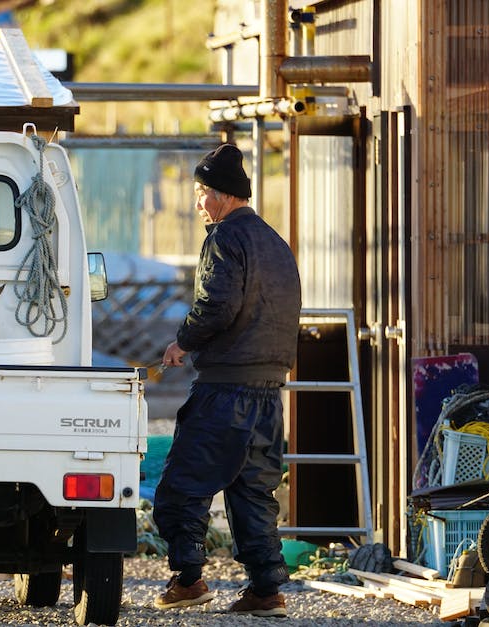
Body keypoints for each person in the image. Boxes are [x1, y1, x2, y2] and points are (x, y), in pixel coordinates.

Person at [152, 144, 302, 617]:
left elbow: (218, 305)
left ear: (223, 196)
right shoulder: (275, 242)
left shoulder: (224, 238)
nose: (198, 203)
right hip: (268, 391)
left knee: (183, 485)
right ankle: (265, 590)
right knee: (254, 493)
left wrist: (183, 342)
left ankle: (189, 580)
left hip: (226, 390)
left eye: (201, 193)